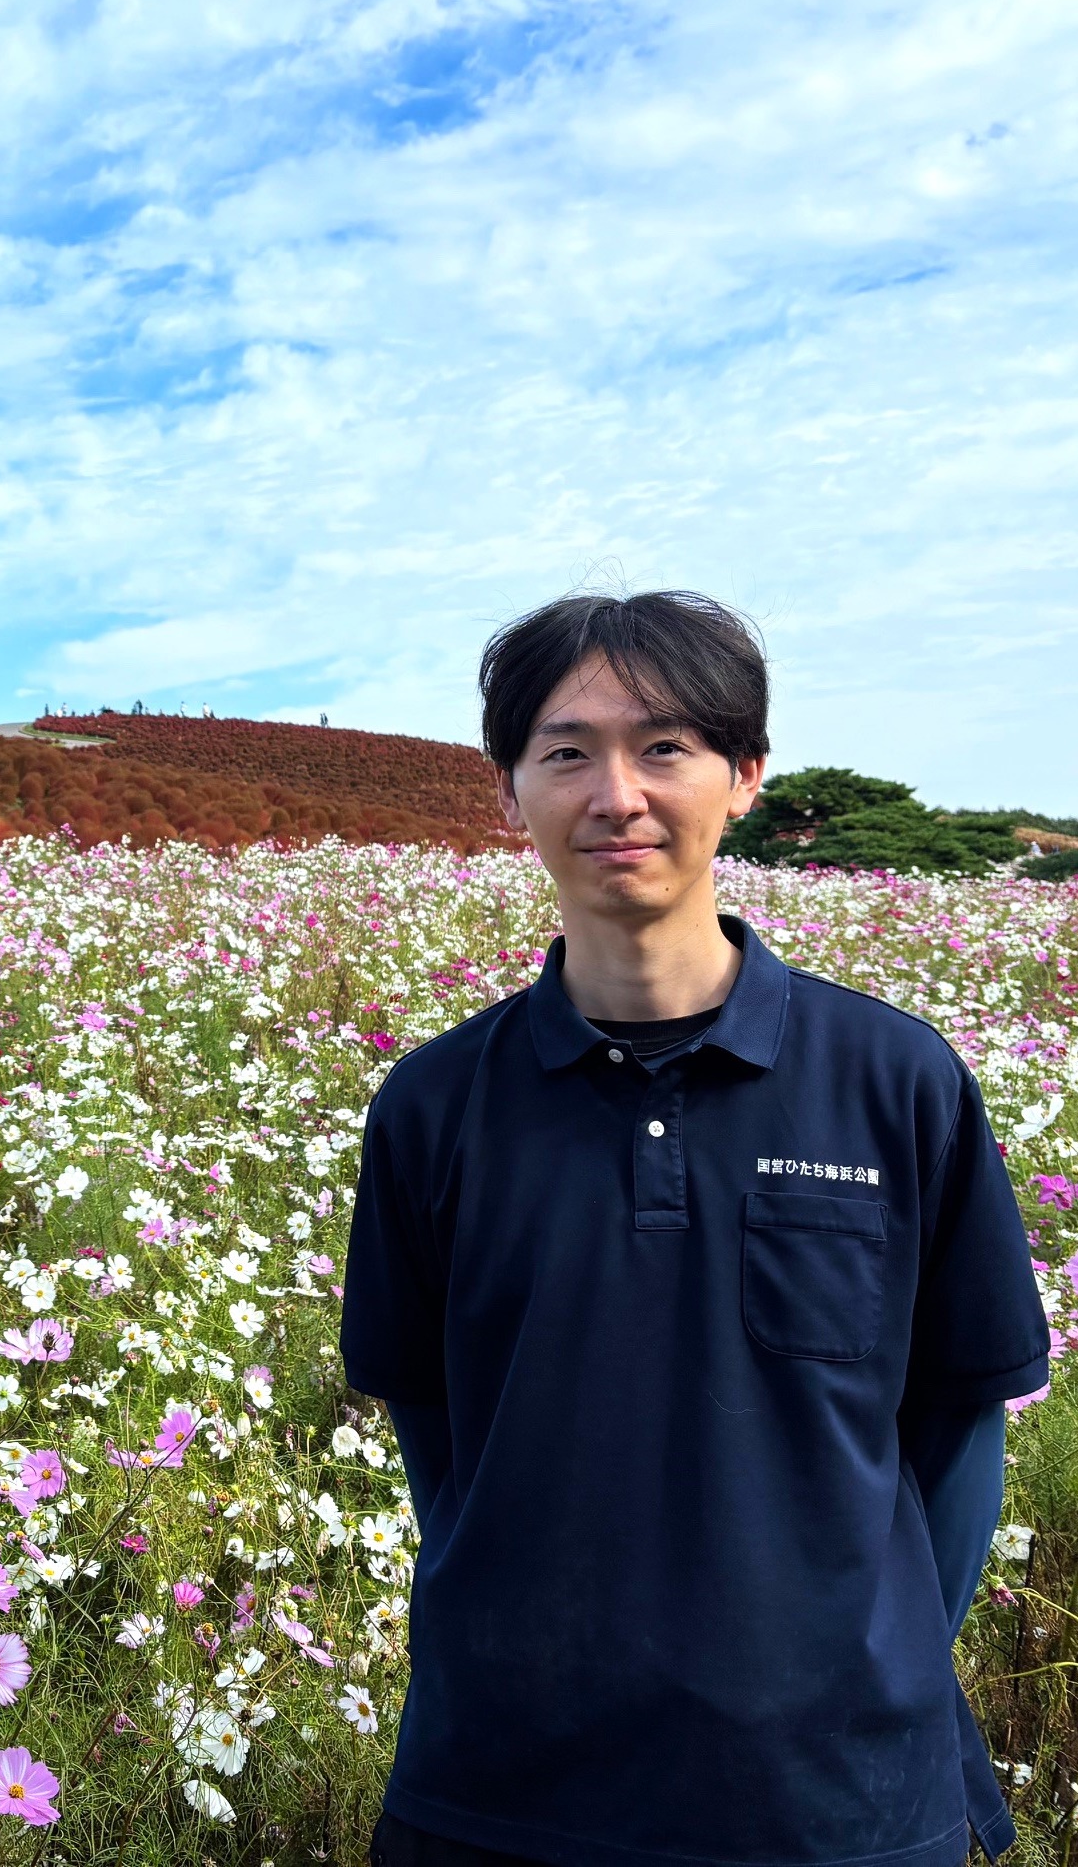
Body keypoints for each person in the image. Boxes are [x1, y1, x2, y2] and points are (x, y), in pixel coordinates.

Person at [343, 591, 1048, 1867]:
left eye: (665, 748)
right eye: (566, 752)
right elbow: (436, 1432)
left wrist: (860, 1667)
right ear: (511, 796)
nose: (617, 793)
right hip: (497, 1793)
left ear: (745, 778)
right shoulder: (435, 1104)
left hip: (838, 1807)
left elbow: (958, 1428)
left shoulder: (898, 1081)